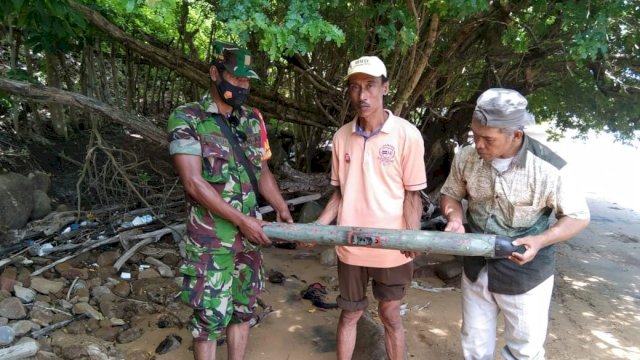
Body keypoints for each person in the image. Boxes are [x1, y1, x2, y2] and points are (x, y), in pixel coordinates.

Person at [440, 88, 591, 360]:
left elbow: (578, 216)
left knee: (525, 350)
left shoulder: (548, 169)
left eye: (488, 139)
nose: (478, 145)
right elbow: (450, 194)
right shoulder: (466, 156)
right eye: (474, 135)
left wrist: (541, 240)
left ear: (516, 135)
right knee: (473, 344)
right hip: (476, 265)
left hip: (526, 273)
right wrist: (455, 218)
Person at [167, 41, 293, 360]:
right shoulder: (187, 118)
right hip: (211, 240)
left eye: (246, 81)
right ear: (214, 73)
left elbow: (262, 170)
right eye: (235, 79)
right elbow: (194, 183)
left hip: (249, 240)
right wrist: (241, 221)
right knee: (209, 319)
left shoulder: (253, 119)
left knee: (243, 310)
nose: (241, 87)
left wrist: (280, 207)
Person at [315, 56, 427, 360]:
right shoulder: (341, 137)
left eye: (370, 86)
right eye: (355, 88)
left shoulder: (407, 135)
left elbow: (412, 195)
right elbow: (339, 194)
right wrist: (318, 226)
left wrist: (412, 236)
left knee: (391, 315)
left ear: (385, 87)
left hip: (391, 248)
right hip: (350, 246)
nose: (362, 96)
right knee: (350, 315)